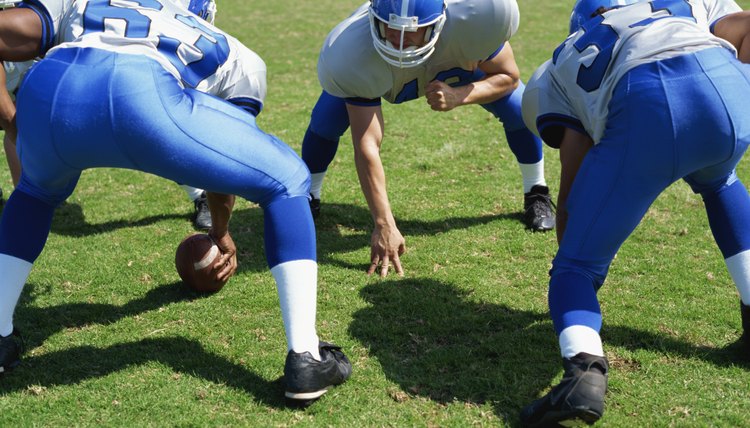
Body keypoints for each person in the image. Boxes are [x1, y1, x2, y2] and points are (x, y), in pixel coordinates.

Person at [0, 0, 351, 404]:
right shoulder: (235, 53)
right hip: (142, 96)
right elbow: (223, 174)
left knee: (35, 193)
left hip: (51, 89)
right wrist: (220, 233)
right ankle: (307, 356)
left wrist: (12, 117)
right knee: (288, 180)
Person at [519, 0, 750, 425]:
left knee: (575, 266)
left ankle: (583, 375)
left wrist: (575, 263)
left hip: (648, 99)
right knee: (721, 182)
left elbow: (576, 169)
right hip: (730, 82)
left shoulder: (563, 59)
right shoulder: (682, 7)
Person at [302, 0, 555, 277]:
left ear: (438, 23)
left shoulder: (474, 22)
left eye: (412, 31)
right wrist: (384, 223)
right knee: (325, 122)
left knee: (521, 109)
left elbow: (508, 77)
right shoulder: (352, 50)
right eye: (390, 28)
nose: (399, 41)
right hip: (378, 76)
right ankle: (309, 195)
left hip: (451, 71)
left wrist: (458, 95)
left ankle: (536, 191)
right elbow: (367, 144)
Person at [2, 52, 212, 230]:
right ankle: (29, 198)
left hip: (61, 58)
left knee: (132, 121)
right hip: (21, 55)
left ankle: (200, 193)